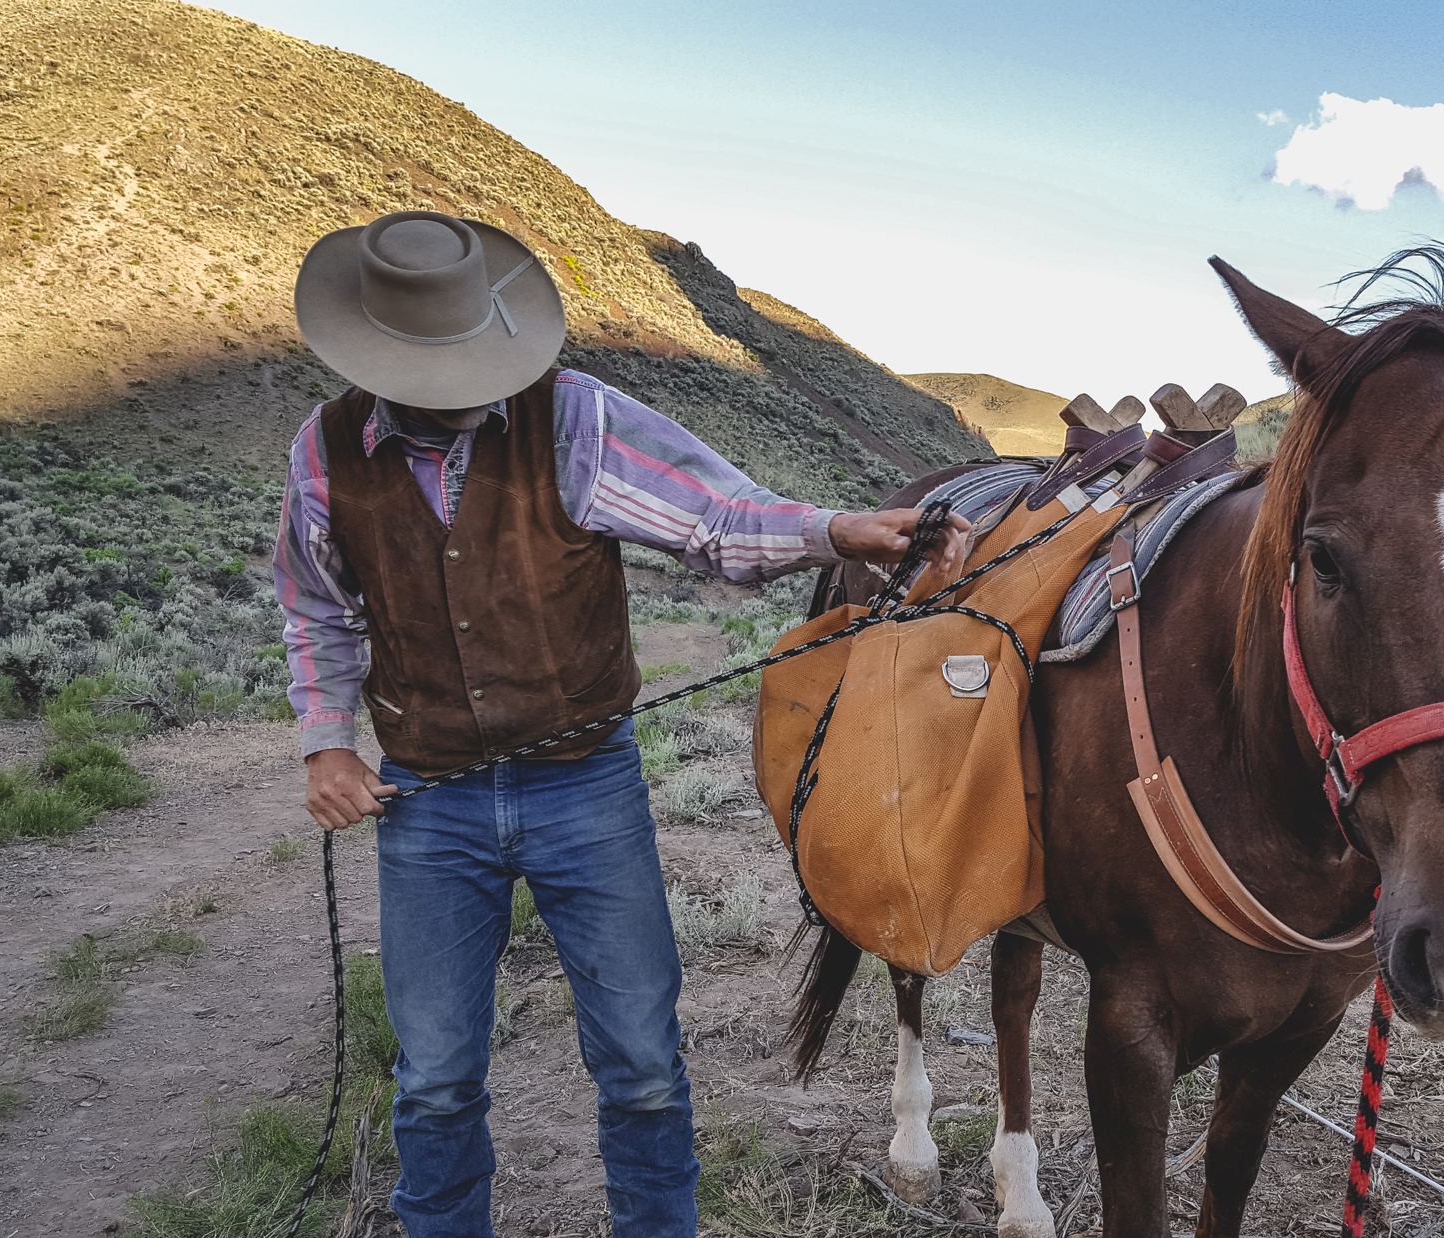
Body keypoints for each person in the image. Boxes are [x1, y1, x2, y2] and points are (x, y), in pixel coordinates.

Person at [275, 210, 964, 1237]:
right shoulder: (327, 451)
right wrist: (329, 740)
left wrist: (833, 529)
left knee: (641, 1060)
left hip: (582, 783)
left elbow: (717, 518)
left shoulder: (576, 418)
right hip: (426, 800)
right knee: (435, 1076)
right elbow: (316, 604)